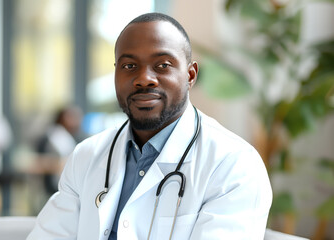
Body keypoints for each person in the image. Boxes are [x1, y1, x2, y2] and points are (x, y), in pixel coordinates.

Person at [27, 13, 272, 240]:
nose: (144, 78)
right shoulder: (86, 156)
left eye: (163, 65)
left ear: (190, 75)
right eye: (129, 66)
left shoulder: (234, 165)